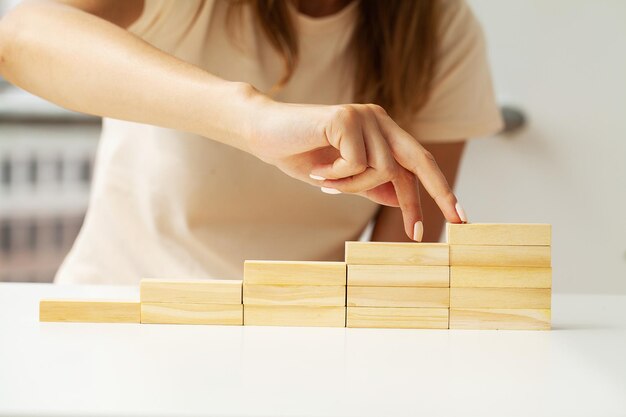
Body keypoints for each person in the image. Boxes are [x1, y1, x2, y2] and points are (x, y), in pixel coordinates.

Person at [0, 0, 502, 284]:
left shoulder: (442, 31)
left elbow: (396, 274)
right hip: (119, 319)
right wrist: (250, 117)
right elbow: (19, 34)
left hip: (287, 346)